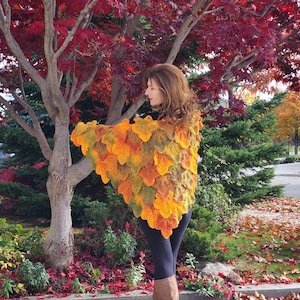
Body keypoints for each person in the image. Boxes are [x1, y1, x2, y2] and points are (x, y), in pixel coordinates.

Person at [71, 63, 202, 300]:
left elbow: (121, 140)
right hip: (183, 206)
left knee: (164, 269)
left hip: (156, 209)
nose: (147, 92)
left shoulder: (156, 132)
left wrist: (89, 133)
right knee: (168, 268)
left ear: (167, 89)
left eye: (152, 87)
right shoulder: (189, 124)